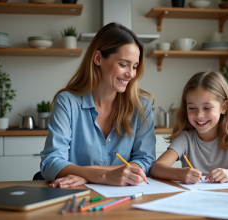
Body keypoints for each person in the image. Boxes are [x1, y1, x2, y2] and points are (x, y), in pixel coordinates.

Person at [40, 22, 156, 188]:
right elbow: (51, 161)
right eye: (123, 64)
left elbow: (146, 161)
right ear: (98, 58)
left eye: (135, 66)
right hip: (77, 197)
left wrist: (88, 175)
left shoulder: (141, 107)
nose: (131, 74)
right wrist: (101, 175)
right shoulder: (67, 102)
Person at [150, 71, 228, 184]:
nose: (199, 115)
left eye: (207, 108)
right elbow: (156, 168)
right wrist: (178, 174)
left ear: (223, 107)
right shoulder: (186, 138)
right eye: (192, 108)